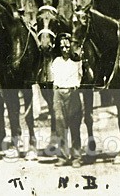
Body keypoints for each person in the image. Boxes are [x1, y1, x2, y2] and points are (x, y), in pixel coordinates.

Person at [51, 33, 83, 166]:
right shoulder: (56, 61)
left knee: (74, 125)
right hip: (59, 93)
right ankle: (62, 156)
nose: (65, 50)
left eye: (67, 47)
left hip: (72, 92)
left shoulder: (76, 62)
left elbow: (81, 77)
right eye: (62, 47)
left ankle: (76, 157)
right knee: (60, 125)